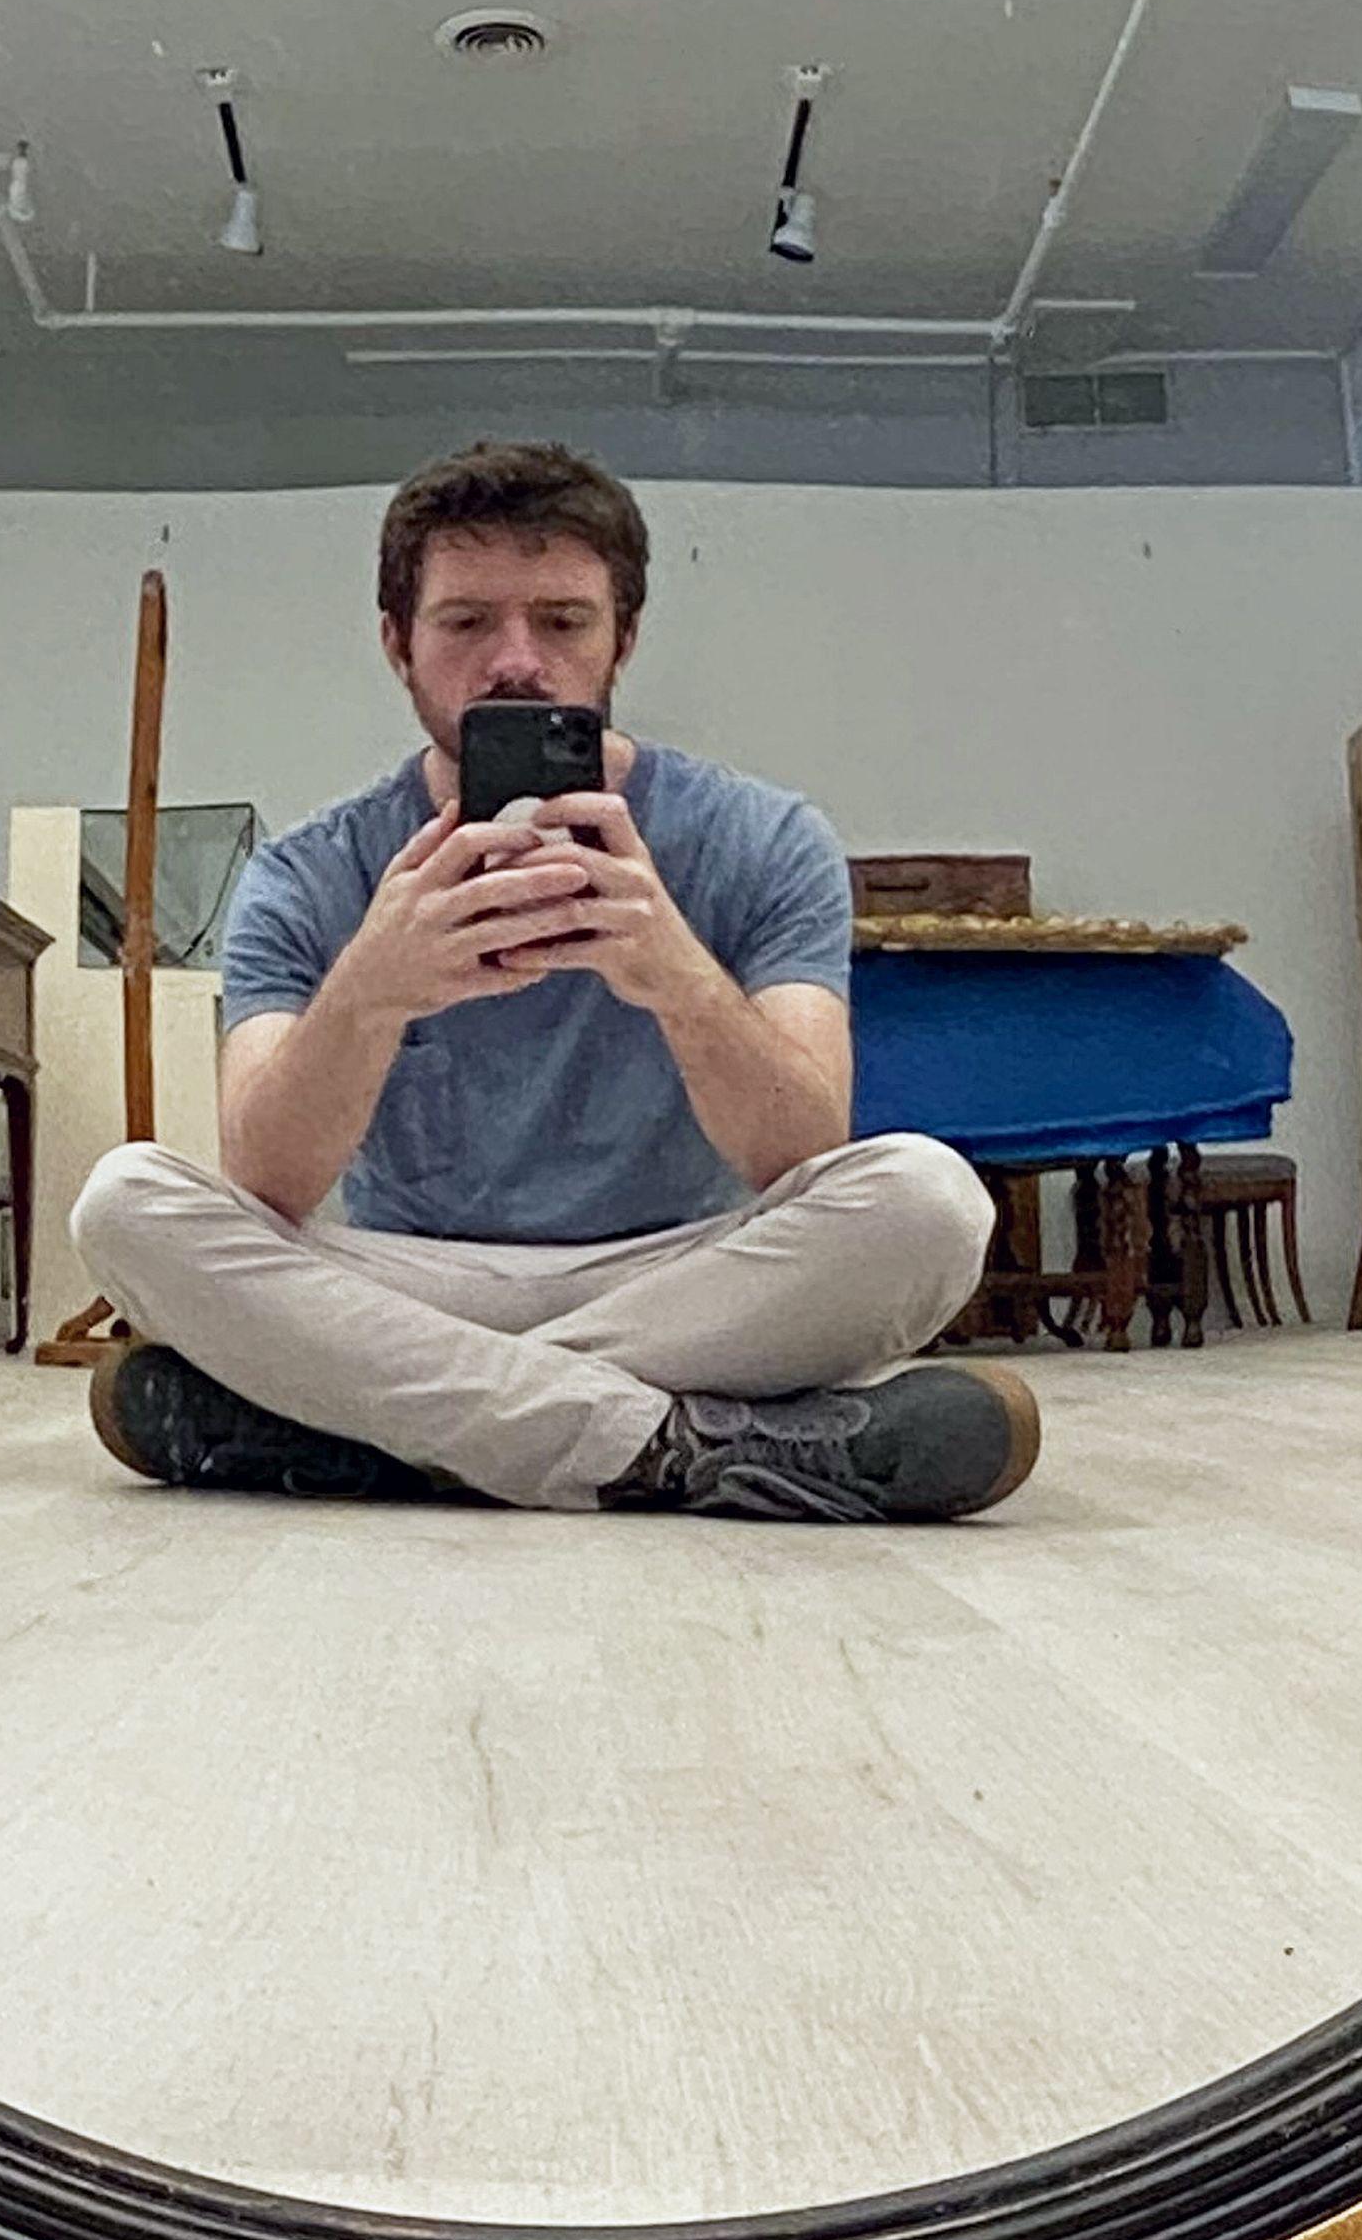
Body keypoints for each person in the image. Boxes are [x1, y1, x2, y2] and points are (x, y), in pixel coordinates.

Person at [71, 443, 1031, 1521]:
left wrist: (675, 973)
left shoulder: (765, 839)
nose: (516, 662)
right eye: (467, 621)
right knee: (127, 1203)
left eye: (564, 621)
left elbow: (803, 1150)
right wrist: (372, 989)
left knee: (929, 1201)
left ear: (624, 636)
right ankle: (673, 1444)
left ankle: (374, 1421)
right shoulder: (308, 870)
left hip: (683, 1276)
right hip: (410, 1273)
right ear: (399, 644)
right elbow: (267, 1177)